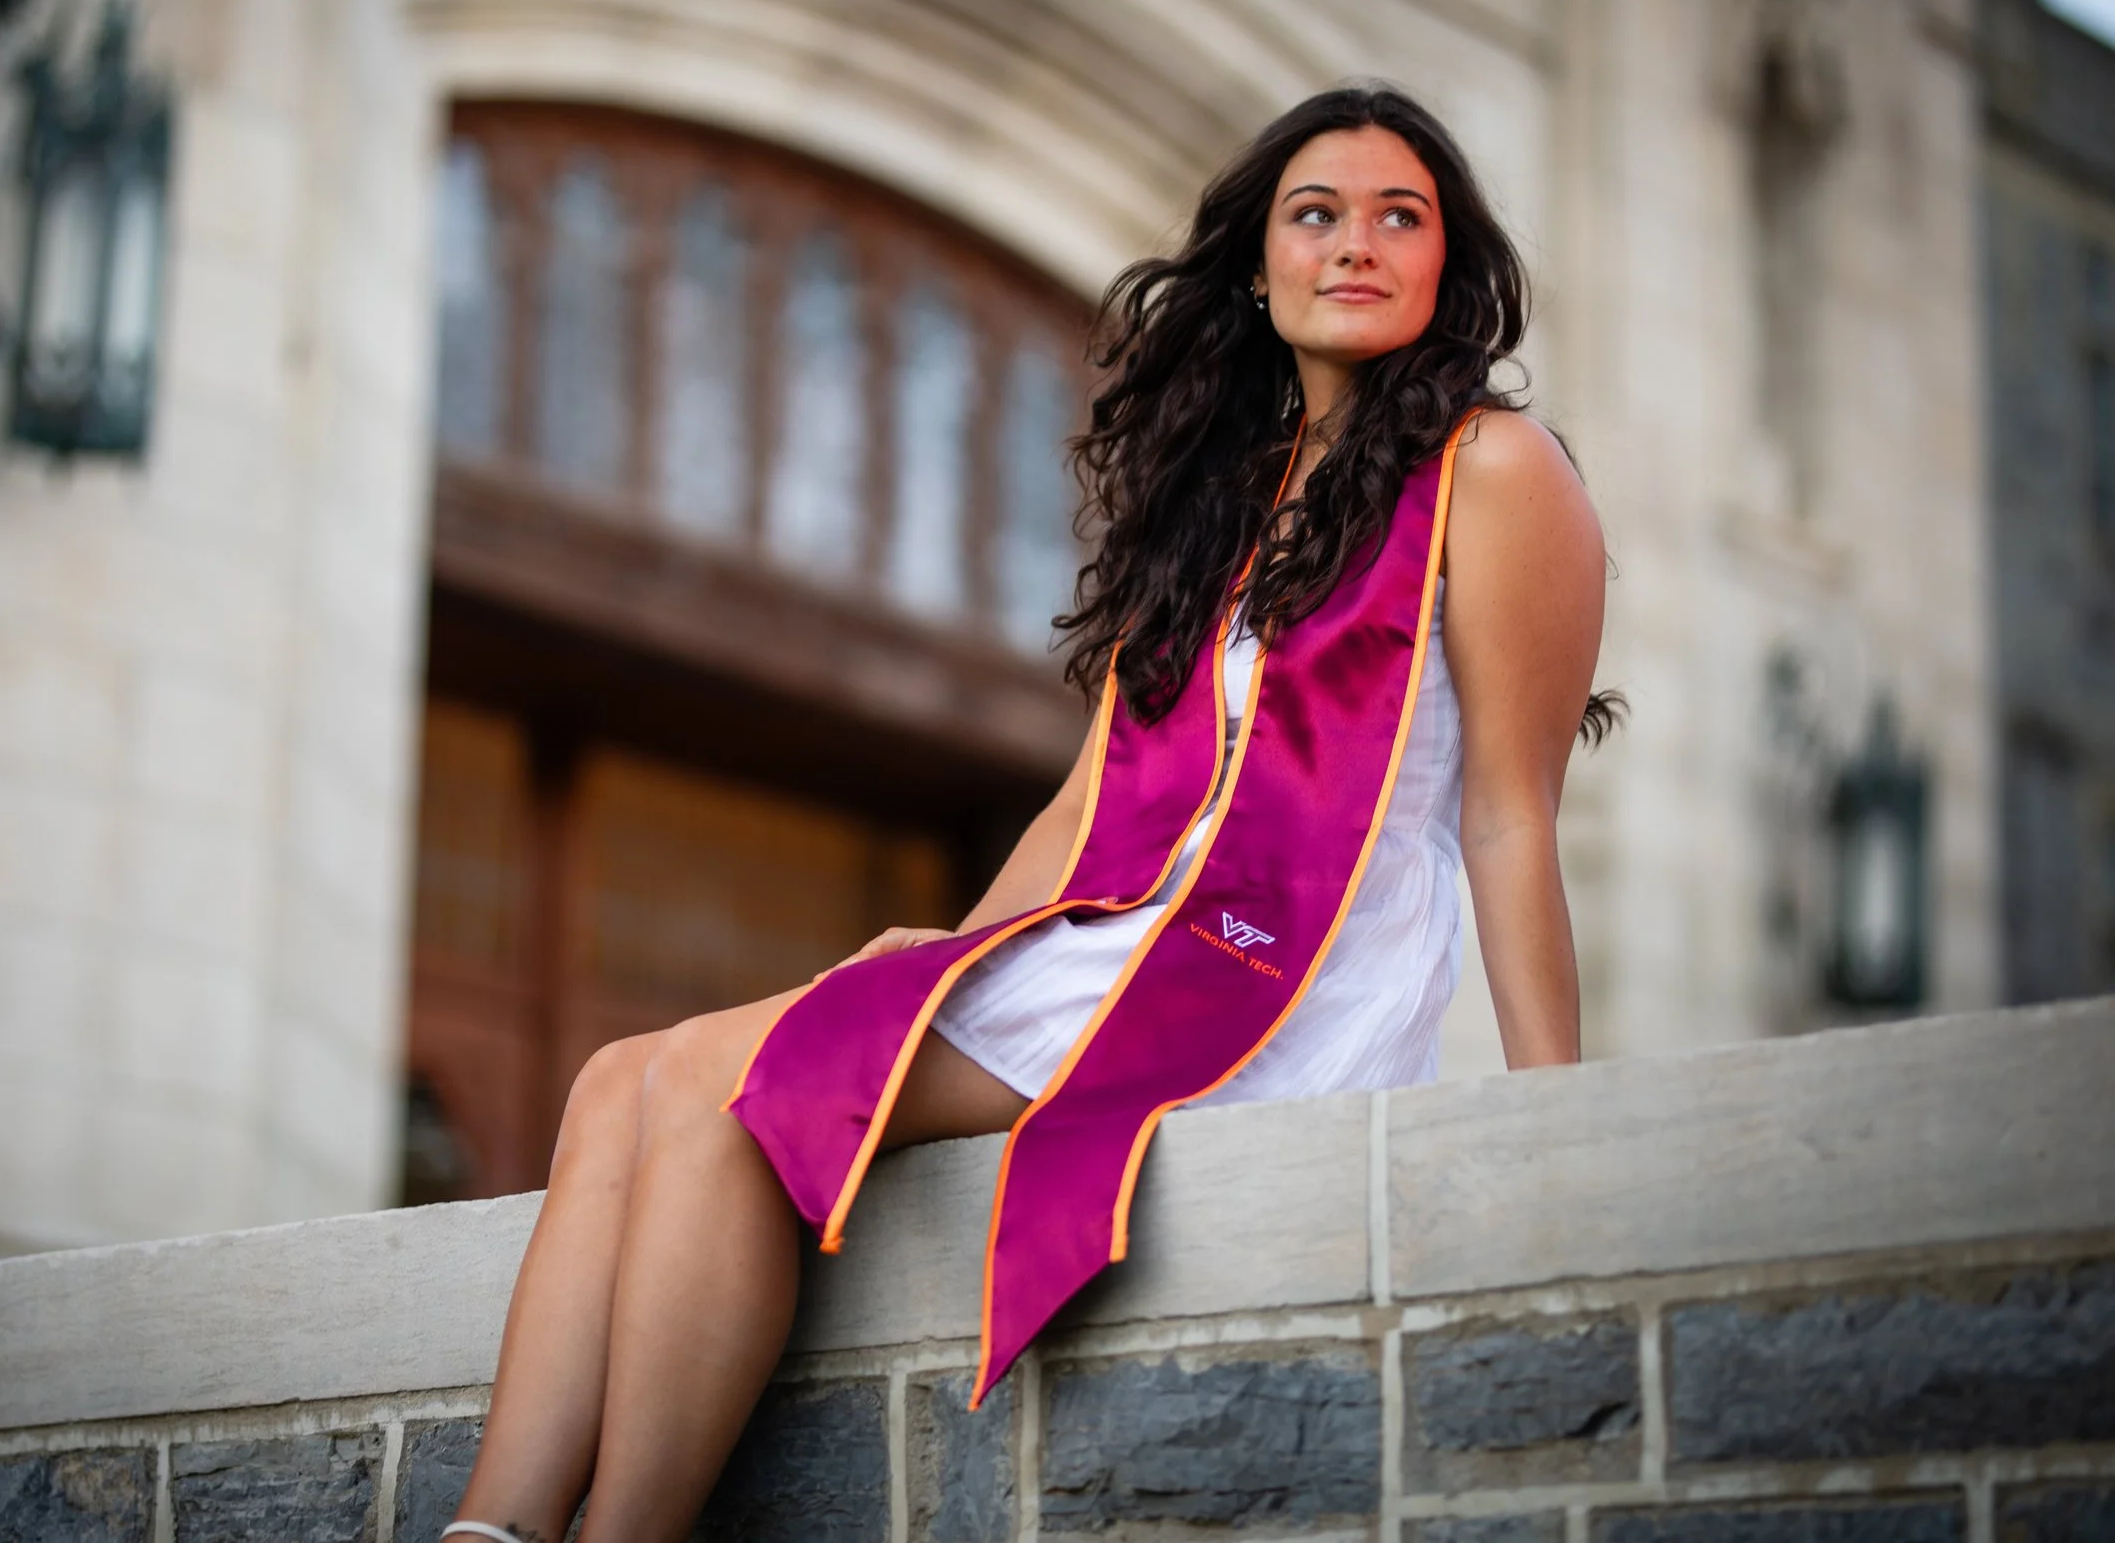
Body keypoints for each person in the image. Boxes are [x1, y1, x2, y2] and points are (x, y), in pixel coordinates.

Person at [440, 84, 1613, 1543]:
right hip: (1115, 941)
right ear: (1260, 268)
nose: (1357, 244)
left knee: (723, 1083)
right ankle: (486, 1531)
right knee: (620, 1072)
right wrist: (950, 956)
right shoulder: (1235, 513)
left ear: (1449, 265)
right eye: (1318, 214)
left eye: (1401, 218)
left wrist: (1560, 1116)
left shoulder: (1495, 474)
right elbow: (1093, 801)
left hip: (1276, 978)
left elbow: (1511, 815)